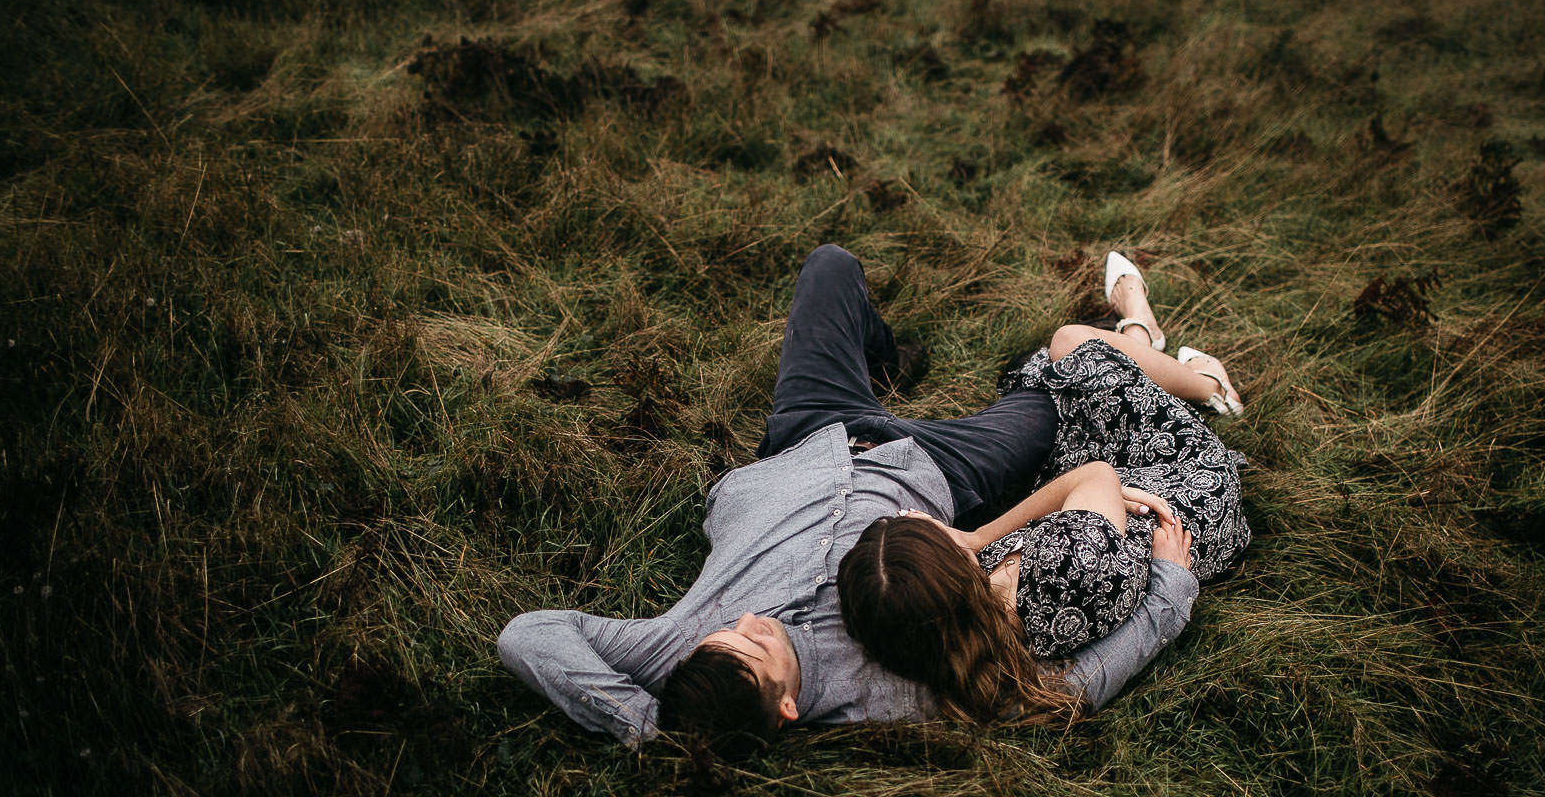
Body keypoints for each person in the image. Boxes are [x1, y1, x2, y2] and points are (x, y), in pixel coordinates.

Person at [496, 245, 1204, 752]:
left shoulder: (681, 657)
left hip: (806, 435)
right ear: (789, 708)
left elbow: (527, 635)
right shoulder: (880, 696)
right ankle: (1157, 350)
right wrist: (1170, 592)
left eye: (730, 631)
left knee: (831, 267)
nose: (749, 621)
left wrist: (649, 726)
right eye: (758, 647)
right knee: (1069, 387)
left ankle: (885, 360)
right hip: (935, 470)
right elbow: (1060, 696)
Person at [838, 252, 1251, 724]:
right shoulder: (1063, 562)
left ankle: (1141, 337)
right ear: (952, 568)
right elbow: (1096, 475)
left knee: (1041, 379)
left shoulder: (979, 630)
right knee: (1070, 346)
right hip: (1189, 486)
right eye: (913, 528)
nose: (912, 516)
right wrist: (977, 536)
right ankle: (1205, 382)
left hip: (1118, 508)